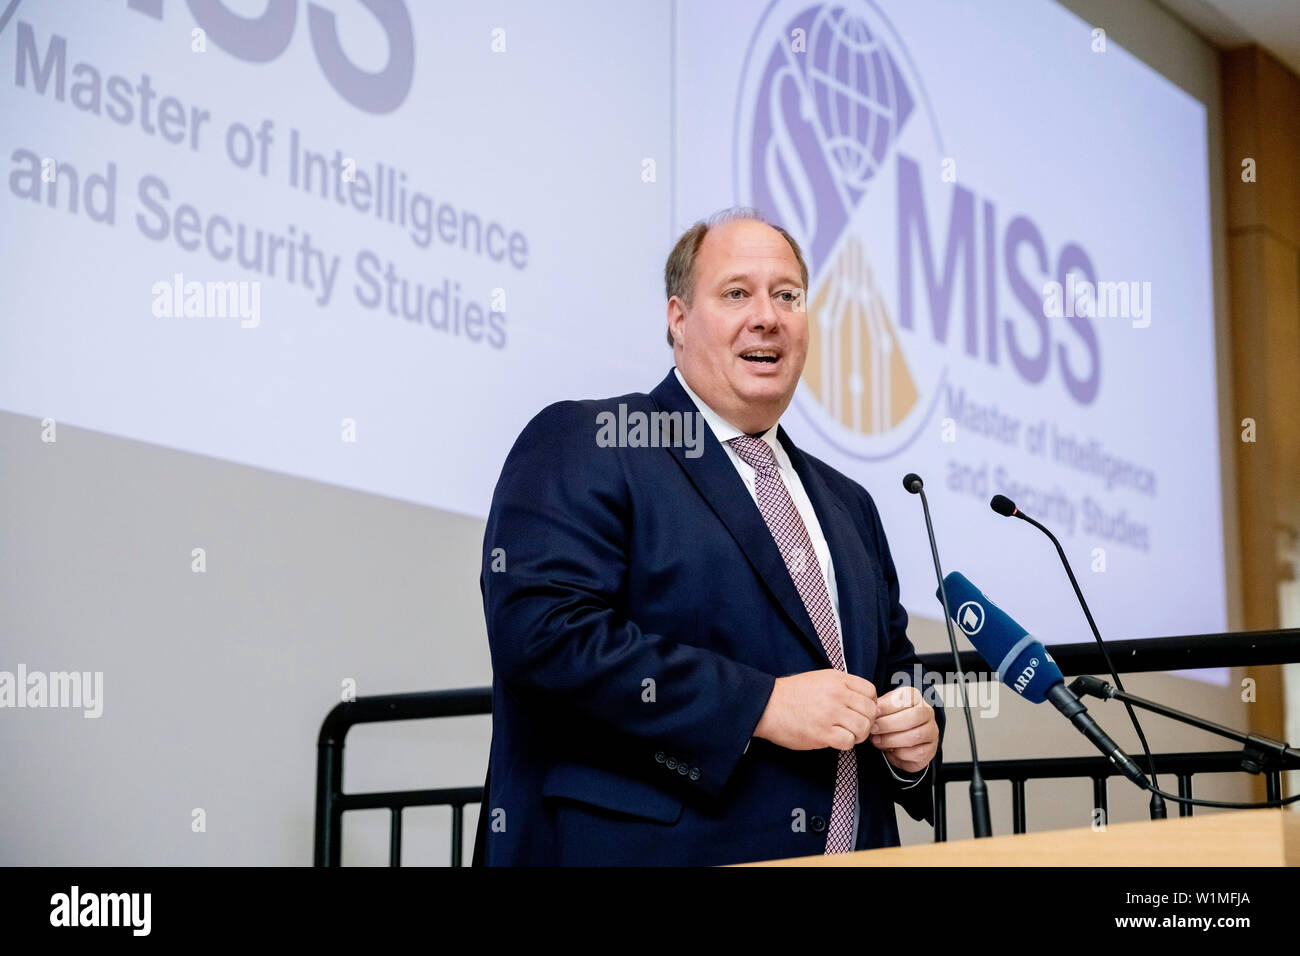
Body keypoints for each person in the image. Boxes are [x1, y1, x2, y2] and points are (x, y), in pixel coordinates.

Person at [472, 207, 944, 866]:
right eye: (736, 293)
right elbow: (545, 639)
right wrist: (763, 704)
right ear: (678, 318)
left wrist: (914, 736)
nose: (768, 316)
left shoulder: (849, 505)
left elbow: (891, 664)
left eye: (788, 296)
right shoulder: (593, 442)